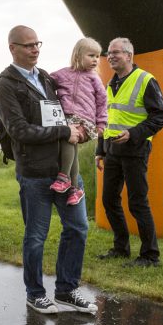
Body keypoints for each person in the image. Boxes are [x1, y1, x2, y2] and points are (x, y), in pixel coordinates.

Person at [0, 25, 98, 315]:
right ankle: (35, 293)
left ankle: (66, 290)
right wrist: (64, 132)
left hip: (65, 171)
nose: (35, 49)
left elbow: (63, 113)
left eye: (37, 43)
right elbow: (19, 130)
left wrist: (79, 129)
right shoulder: (6, 85)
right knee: (36, 237)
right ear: (12, 48)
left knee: (78, 228)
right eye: (27, 45)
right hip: (35, 174)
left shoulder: (45, 77)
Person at [95, 37, 163, 267]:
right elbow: (106, 119)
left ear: (129, 55)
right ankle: (121, 248)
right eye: (109, 53)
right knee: (109, 200)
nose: (111, 56)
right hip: (112, 151)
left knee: (137, 203)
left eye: (116, 52)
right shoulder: (111, 83)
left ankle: (150, 256)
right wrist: (100, 150)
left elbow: (161, 116)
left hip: (135, 150)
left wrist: (134, 134)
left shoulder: (145, 80)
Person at [50, 37, 108, 206]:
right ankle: (75, 189)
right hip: (67, 118)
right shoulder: (63, 74)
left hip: (86, 121)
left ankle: (63, 177)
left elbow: (102, 101)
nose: (95, 60)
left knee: (69, 138)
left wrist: (101, 124)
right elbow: (47, 79)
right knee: (71, 146)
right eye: (91, 55)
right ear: (78, 56)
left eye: (97, 56)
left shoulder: (94, 78)